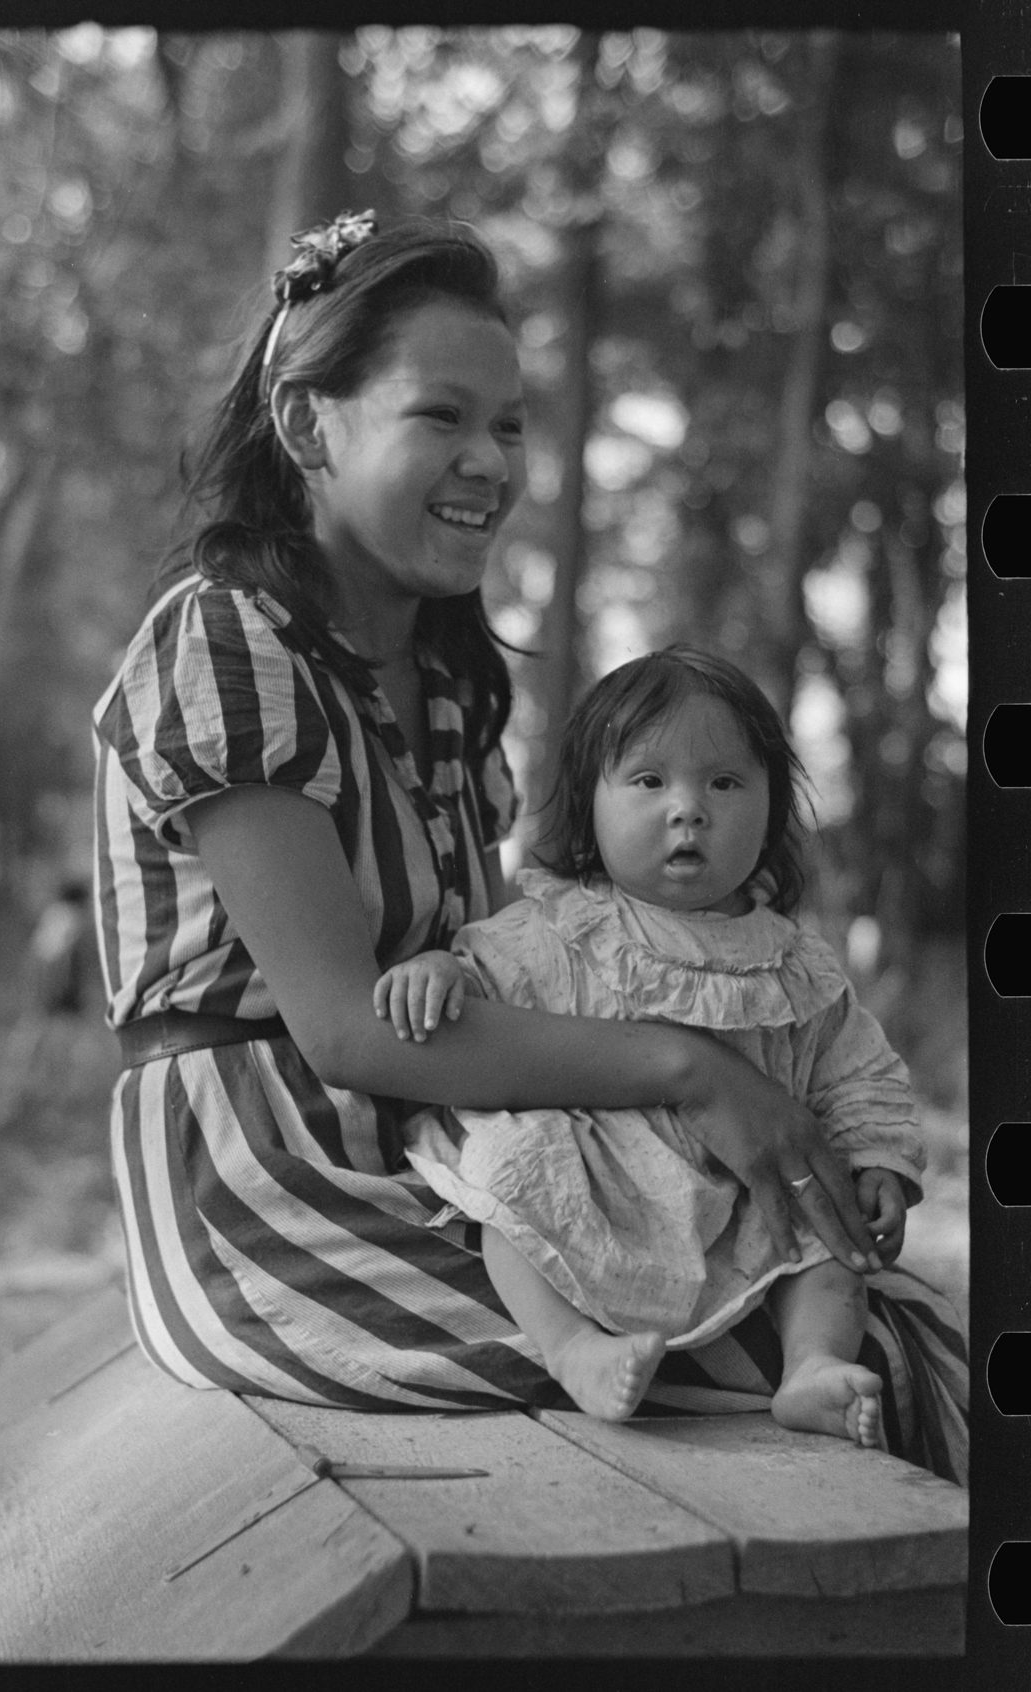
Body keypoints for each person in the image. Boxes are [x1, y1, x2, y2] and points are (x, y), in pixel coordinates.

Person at [91, 212, 966, 1483]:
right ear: (305, 427)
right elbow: (345, 1028)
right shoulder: (225, 645)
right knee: (834, 1356)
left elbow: (512, 965)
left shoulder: (448, 680)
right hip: (268, 1181)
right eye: (440, 417)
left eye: (508, 424)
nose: (489, 462)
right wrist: (694, 1070)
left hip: (455, 1150)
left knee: (854, 1291)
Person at [376, 648, 923, 1447]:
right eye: (648, 781)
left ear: (773, 809)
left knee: (829, 1242)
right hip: (595, 1184)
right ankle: (574, 1349)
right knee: (511, 1169)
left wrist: (878, 1162)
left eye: (725, 784)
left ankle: (810, 1367)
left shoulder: (794, 962)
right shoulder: (563, 922)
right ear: (589, 808)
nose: (688, 809)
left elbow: (856, 1073)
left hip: (742, 1203)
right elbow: (486, 977)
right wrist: (438, 971)